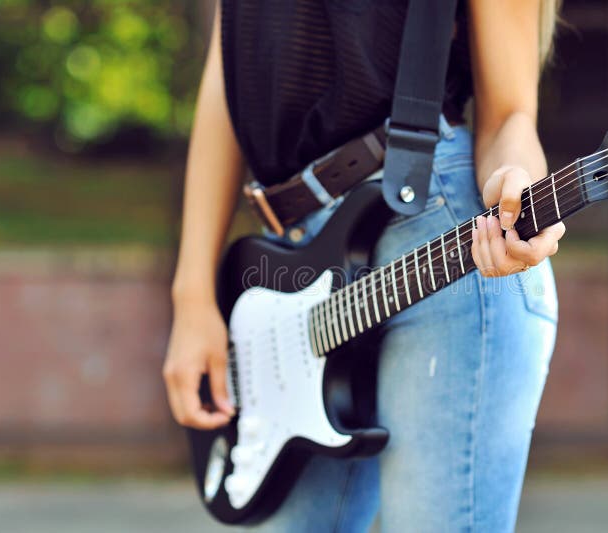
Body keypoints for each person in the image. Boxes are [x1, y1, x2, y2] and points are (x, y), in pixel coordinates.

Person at [163, 0, 565, 530]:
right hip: (291, 269)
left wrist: (517, 191)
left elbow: (511, 114)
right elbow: (229, 64)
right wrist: (191, 297)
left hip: (439, 247)